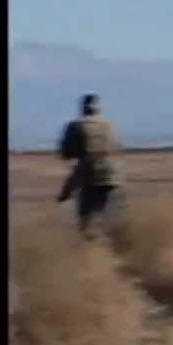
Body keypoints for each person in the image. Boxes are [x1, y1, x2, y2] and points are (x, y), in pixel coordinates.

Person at [57, 93, 124, 238]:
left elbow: (65, 153)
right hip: (111, 176)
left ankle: (91, 251)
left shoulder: (75, 126)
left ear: (83, 108)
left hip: (88, 176)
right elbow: (117, 146)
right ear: (98, 108)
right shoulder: (108, 126)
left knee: (86, 222)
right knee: (112, 219)